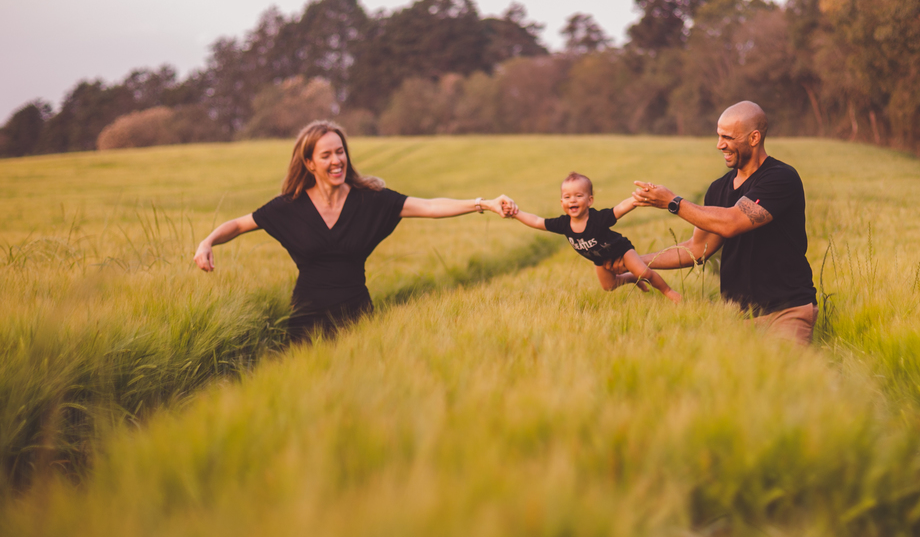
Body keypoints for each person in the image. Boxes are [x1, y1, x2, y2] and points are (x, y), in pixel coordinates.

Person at [193, 120, 516, 341]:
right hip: (305, 323)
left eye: (340, 151)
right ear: (309, 163)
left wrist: (483, 203)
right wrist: (208, 242)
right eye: (326, 155)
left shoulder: (370, 201)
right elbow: (238, 224)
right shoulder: (288, 207)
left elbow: (429, 207)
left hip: (358, 320)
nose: (337, 160)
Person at [626, 101, 818, 345]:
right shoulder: (718, 189)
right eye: (718, 136)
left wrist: (672, 202)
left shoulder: (780, 178)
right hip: (737, 317)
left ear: (754, 138)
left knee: (786, 382)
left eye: (727, 137)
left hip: (785, 313)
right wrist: (633, 261)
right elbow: (697, 249)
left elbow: (733, 222)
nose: (719, 145)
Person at [510, 172, 681, 302]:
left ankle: (669, 293)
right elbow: (536, 221)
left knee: (644, 272)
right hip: (600, 259)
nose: (572, 200)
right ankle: (632, 278)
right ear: (562, 203)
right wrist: (515, 213)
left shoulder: (598, 219)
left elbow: (620, 208)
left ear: (590, 200)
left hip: (621, 250)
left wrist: (640, 196)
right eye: (567, 197)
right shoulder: (562, 224)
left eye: (578, 196)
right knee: (608, 286)